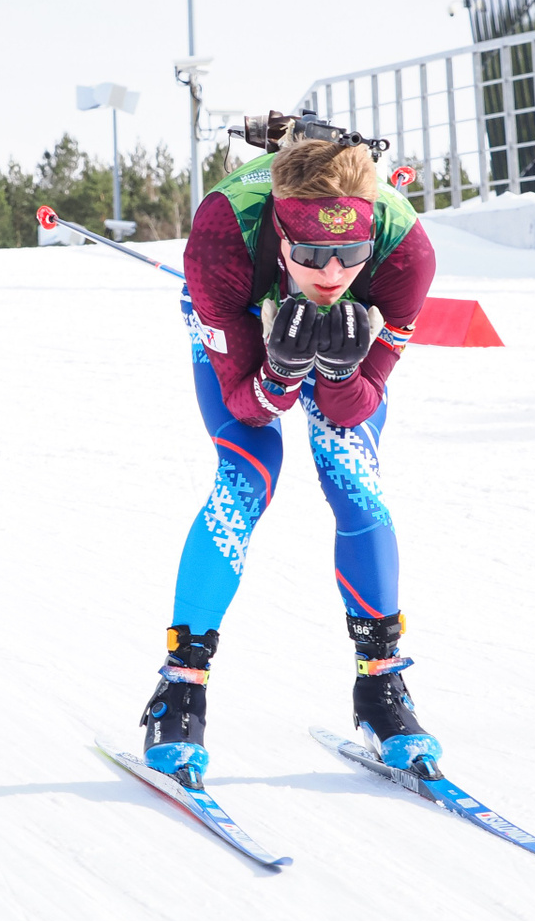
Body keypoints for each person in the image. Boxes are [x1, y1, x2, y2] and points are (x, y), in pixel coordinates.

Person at [138, 133, 438, 787]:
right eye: (309, 254)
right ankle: (179, 689)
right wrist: (278, 371)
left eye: (348, 254)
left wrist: (337, 372)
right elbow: (247, 409)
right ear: (280, 234)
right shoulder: (220, 236)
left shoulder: (405, 254)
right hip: (241, 306)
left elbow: (353, 410)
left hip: (333, 322)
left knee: (354, 480)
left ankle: (381, 687)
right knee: (246, 477)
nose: (331, 274)